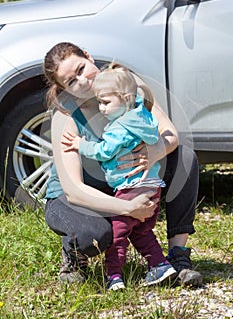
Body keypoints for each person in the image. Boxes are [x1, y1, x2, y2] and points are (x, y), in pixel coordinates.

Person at [43, 42, 202, 287]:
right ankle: (75, 257)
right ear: (64, 89)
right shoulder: (65, 116)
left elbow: (169, 132)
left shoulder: (129, 85)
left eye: (81, 69)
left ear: (88, 56)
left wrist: (155, 150)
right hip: (73, 197)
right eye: (72, 82)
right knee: (95, 235)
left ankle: (178, 258)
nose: (83, 81)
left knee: (185, 158)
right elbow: (73, 190)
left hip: (120, 183)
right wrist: (127, 208)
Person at [61, 62, 177, 290]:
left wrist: (80, 144)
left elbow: (102, 151)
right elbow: (142, 96)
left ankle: (113, 276)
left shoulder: (119, 128)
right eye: (100, 102)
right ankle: (160, 266)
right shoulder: (141, 114)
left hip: (129, 187)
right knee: (141, 231)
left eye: (106, 102)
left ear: (124, 99)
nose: (102, 108)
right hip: (151, 185)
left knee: (117, 234)